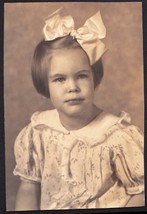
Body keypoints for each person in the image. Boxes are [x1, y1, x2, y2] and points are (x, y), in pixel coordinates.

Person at [13, 8, 144, 210]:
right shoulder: (38, 133)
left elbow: (140, 193)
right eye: (60, 79)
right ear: (44, 87)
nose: (72, 87)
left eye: (81, 76)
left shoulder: (116, 136)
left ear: (94, 79)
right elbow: (28, 188)